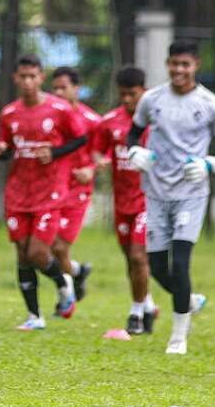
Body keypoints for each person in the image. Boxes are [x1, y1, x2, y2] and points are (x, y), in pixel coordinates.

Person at [127, 39, 215, 354]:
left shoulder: (211, 104)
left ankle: (178, 336)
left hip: (190, 194)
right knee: (155, 266)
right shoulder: (151, 99)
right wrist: (134, 151)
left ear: (196, 65)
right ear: (167, 64)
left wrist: (210, 163)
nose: (179, 70)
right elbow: (134, 131)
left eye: (186, 64)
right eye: (174, 64)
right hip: (155, 192)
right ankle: (190, 300)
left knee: (180, 264)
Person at [0, 54, 86, 331]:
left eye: (33, 76)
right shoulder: (9, 113)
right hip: (18, 192)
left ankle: (62, 281)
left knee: (38, 253)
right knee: (22, 253)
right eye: (23, 77)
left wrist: (54, 152)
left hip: (49, 191)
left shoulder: (60, 109)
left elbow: (80, 138)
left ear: (41, 78)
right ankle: (35, 316)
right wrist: (0, 152)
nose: (28, 81)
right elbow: (9, 151)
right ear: (16, 79)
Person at [92, 66, 158, 334]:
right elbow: (98, 152)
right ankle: (149, 305)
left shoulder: (156, 121)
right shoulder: (110, 121)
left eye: (132, 94)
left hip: (149, 199)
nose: (128, 100)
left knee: (138, 255)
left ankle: (136, 315)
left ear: (144, 91)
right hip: (122, 202)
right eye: (123, 95)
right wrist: (102, 162)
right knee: (130, 259)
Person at [50, 67, 99, 301]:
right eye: (55, 88)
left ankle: (65, 295)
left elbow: (105, 152)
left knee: (59, 247)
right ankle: (77, 272)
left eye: (64, 87)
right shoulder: (48, 118)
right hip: (51, 188)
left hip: (77, 190)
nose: (59, 92)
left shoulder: (92, 121)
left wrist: (91, 169)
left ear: (76, 89)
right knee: (47, 245)